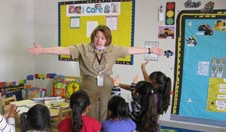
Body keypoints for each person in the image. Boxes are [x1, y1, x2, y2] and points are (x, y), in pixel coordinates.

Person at [28, 25, 164, 124]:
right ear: (93, 37)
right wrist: (44, 50)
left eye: (103, 38)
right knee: (89, 117)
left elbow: (130, 50)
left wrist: (149, 50)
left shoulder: (113, 49)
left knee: (106, 115)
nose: (99, 40)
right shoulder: (83, 48)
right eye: (97, 37)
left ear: (107, 39)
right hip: (89, 87)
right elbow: (64, 50)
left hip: (106, 88)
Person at [140, 60, 171, 132]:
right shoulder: (161, 93)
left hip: (150, 125)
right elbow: (148, 81)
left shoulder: (153, 95)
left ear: (155, 84)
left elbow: (146, 83)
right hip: (156, 125)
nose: (148, 81)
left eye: (150, 81)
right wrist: (143, 69)